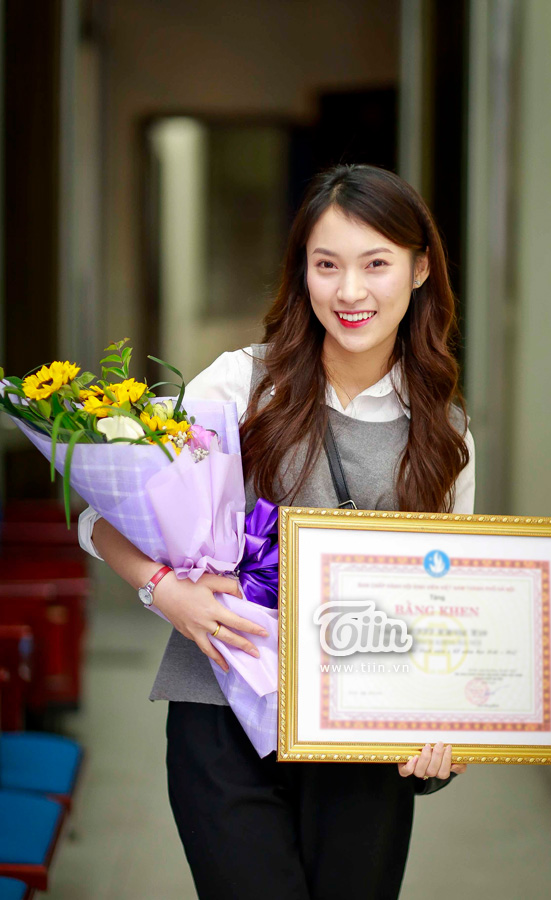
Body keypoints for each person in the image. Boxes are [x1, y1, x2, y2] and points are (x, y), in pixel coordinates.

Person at [78, 163, 473, 900]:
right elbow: (103, 517)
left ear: (420, 269)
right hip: (221, 710)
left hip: (362, 729)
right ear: (303, 272)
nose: (350, 291)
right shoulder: (241, 386)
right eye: (327, 265)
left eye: (376, 264)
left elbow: (452, 602)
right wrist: (167, 593)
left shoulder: (445, 432)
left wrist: (448, 722)